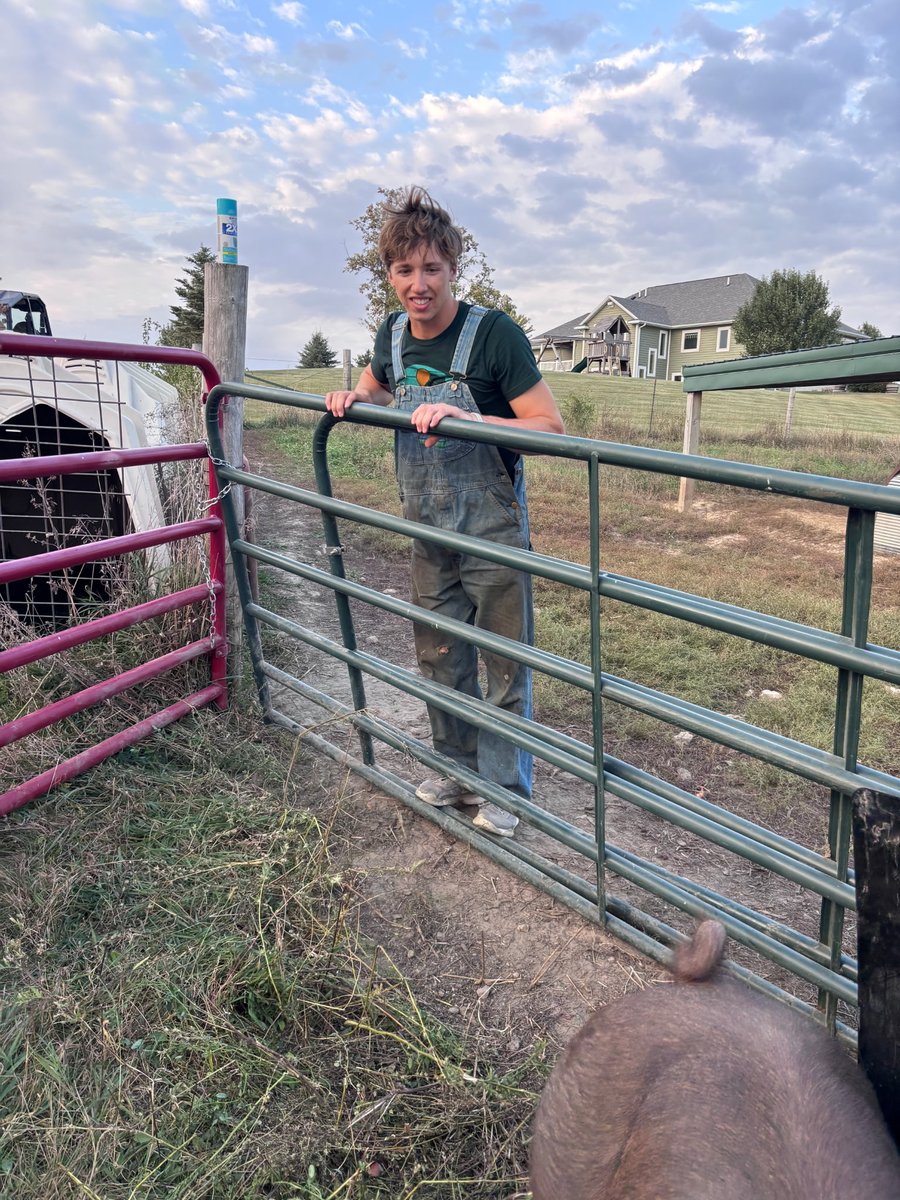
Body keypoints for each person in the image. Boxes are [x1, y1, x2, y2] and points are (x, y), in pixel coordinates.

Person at [326, 187, 564, 837]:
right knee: (438, 654)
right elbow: (376, 384)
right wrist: (353, 397)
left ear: (454, 267)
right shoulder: (393, 336)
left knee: (501, 659)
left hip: (490, 526)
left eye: (432, 268)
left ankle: (505, 790)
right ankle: (456, 773)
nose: (418, 283)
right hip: (425, 527)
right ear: (389, 274)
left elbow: (551, 425)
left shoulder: (494, 337)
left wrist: (470, 418)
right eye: (405, 270)